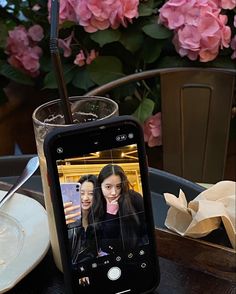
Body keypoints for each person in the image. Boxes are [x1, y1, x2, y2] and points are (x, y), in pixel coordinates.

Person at [97, 164, 148, 254]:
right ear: (100, 186)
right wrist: (110, 214)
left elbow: (146, 230)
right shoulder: (98, 204)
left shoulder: (134, 198)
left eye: (118, 186)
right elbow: (104, 243)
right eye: (108, 187)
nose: (114, 193)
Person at [63, 174, 101, 268]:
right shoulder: (69, 218)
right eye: (81, 193)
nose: (85, 198)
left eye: (91, 194)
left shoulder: (98, 221)